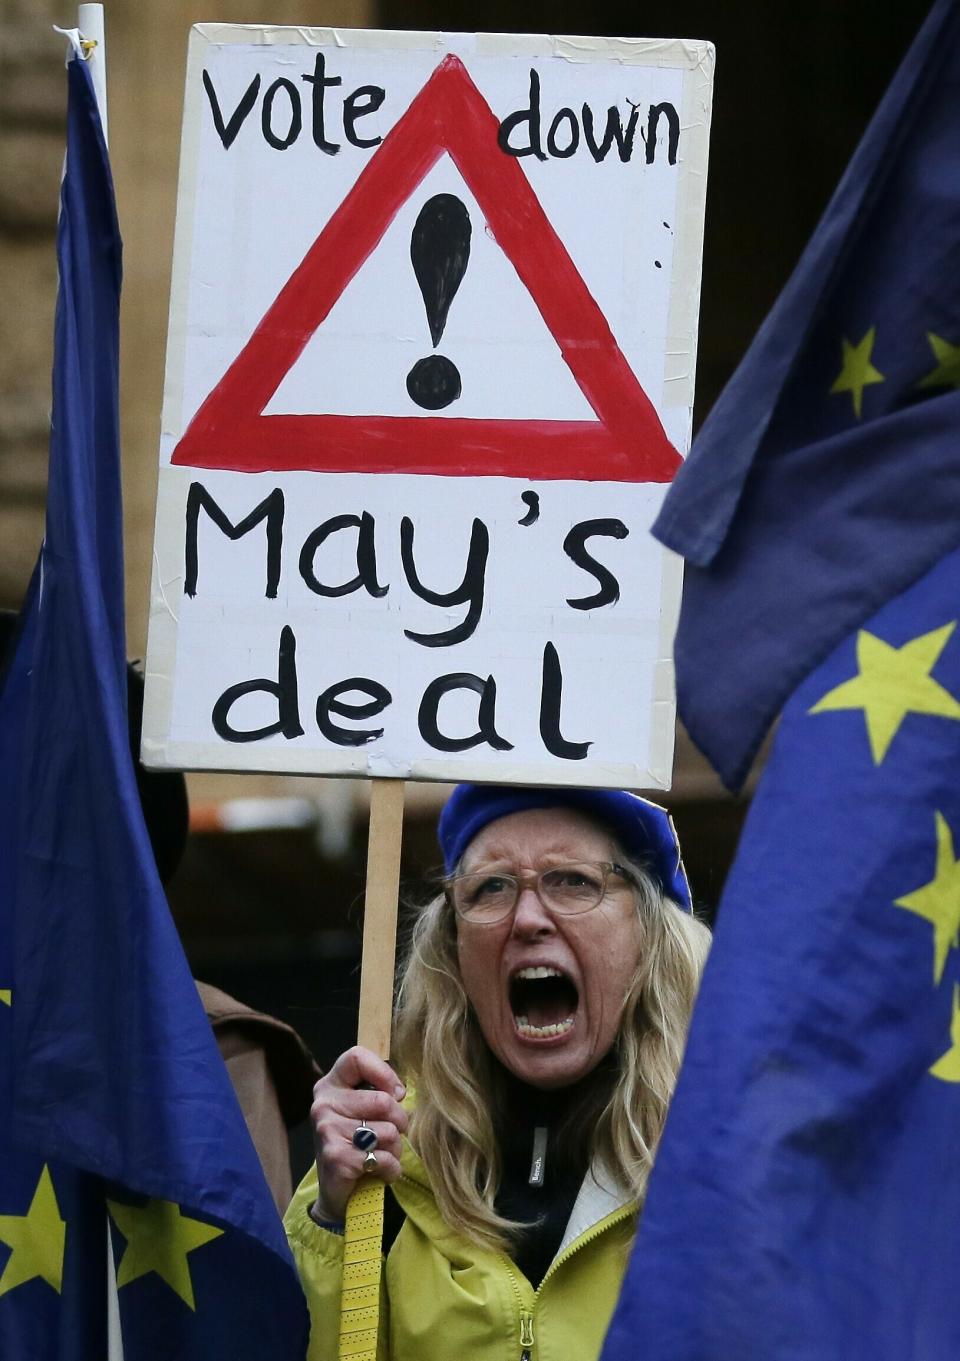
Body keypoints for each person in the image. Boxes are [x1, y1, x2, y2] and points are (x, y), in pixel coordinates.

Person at [285, 783, 711, 1361]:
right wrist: (333, 1223)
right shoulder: (374, 1154)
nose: (528, 918)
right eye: (491, 888)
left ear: (649, 939)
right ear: (454, 950)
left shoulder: (734, 1159)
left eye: (574, 881)